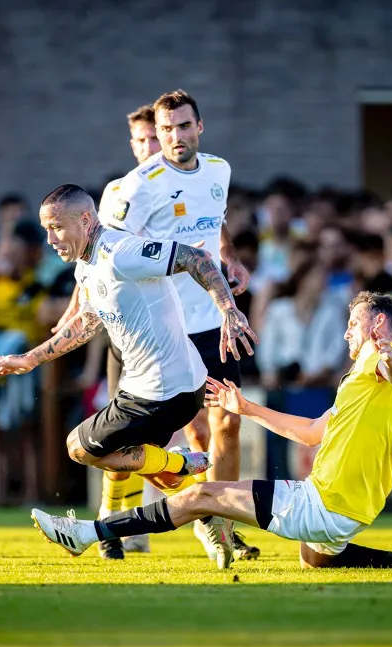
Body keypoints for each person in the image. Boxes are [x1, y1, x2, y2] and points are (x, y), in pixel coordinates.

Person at [30, 291, 392, 571]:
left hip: (328, 501)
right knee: (315, 557)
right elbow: (310, 432)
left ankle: (87, 534)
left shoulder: (378, 364)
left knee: (200, 496)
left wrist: (388, 355)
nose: (346, 334)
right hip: (356, 507)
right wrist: (245, 407)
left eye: (352, 324)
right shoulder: (368, 384)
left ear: (379, 324)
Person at [0, 184, 258, 568]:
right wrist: (29, 359)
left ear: (87, 220)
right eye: (46, 229)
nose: (50, 238)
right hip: (162, 388)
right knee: (141, 462)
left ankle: (180, 466)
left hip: (162, 391)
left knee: (80, 447)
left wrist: (227, 309)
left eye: (57, 227)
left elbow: (196, 257)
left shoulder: (121, 252)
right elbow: (89, 321)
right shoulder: (86, 263)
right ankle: (209, 518)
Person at [96, 89, 259, 562]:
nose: (175, 137)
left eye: (183, 126)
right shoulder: (138, 186)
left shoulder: (218, 170)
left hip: (213, 321)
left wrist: (228, 253)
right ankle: (121, 520)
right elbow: (103, 252)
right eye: (166, 129)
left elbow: (215, 220)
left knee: (227, 423)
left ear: (200, 127)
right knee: (158, 437)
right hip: (161, 328)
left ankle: (223, 524)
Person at [54, 105, 162, 558]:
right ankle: (116, 525)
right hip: (131, 337)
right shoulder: (119, 195)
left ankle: (218, 525)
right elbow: (90, 261)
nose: (148, 148)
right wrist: (76, 309)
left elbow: (212, 235)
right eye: (140, 141)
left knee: (205, 431)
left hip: (188, 329)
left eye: (154, 138)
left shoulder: (198, 185)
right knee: (122, 436)